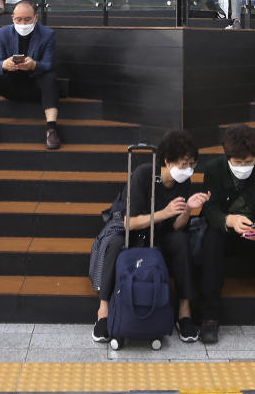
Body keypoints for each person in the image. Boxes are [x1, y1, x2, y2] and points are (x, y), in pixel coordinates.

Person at [90, 130, 210, 344]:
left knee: (181, 241)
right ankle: (103, 311)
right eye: (183, 164)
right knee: (116, 243)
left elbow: (177, 226)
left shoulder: (183, 182)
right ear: (167, 161)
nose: (188, 169)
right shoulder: (144, 174)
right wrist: (164, 212)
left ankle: (184, 312)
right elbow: (130, 222)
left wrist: (189, 209)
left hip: (161, 232)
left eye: (192, 164)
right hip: (134, 231)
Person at [199, 124, 255, 346]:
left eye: (248, 162)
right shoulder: (213, 169)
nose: (243, 167)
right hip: (226, 233)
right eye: (238, 163)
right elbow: (209, 210)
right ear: (228, 157)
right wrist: (228, 221)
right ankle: (210, 316)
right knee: (210, 241)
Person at [0, 1, 60, 150]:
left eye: (27, 19)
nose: (23, 23)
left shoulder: (47, 34)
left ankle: (51, 129)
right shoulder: (3, 32)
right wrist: (4, 64)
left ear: (36, 18)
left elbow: (49, 63)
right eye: (18, 19)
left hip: (35, 84)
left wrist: (34, 65)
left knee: (50, 77)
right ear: (12, 17)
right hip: (12, 83)